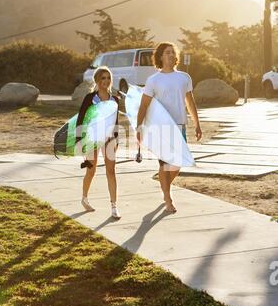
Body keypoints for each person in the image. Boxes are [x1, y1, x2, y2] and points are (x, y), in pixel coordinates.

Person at [136, 42, 202, 213]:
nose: (171, 55)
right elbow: (143, 105)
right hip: (161, 128)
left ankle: (164, 185)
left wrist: (197, 123)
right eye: (167, 52)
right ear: (160, 57)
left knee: (178, 163)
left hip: (179, 125)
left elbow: (190, 101)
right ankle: (168, 198)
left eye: (173, 52)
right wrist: (139, 127)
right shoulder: (153, 80)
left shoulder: (184, 77)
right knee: (165, 164)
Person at [77, 66, 121, 219]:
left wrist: (116, 139)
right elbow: (81, 119)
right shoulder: (90, 99)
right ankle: (84, 198)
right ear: (97, 80)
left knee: (111, 171)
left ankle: (114, 206)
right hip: (91, 138)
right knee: (91, 169)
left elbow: (115, 122)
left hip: (109, 139)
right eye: (103, 78)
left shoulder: (114, 100)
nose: (106, 81)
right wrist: (79, 140)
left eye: (108, 78)